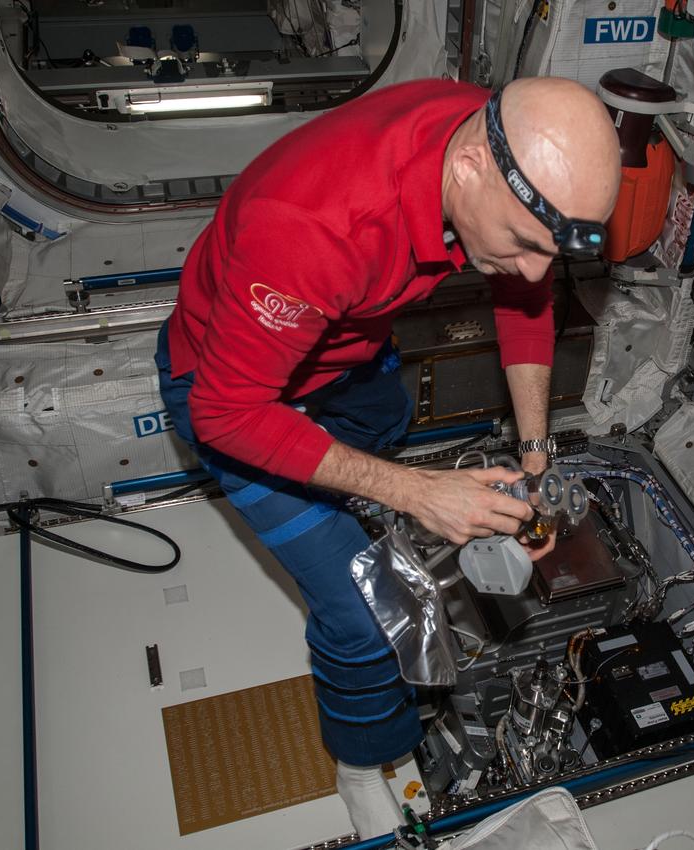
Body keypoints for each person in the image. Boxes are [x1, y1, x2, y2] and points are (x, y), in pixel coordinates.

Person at [155, 75, 620, 838]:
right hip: (225, 389)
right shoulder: (310, 227)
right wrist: (414, 492)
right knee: (364, 618)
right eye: (525, 243)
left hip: (345, 347)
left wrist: (536, 451)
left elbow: (524, 301)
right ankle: (360, 763)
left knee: (389, 420)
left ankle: (344, 501)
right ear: (469, 165)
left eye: (554, 250)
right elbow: (224, 412)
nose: (539, 272)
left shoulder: (497, 133)